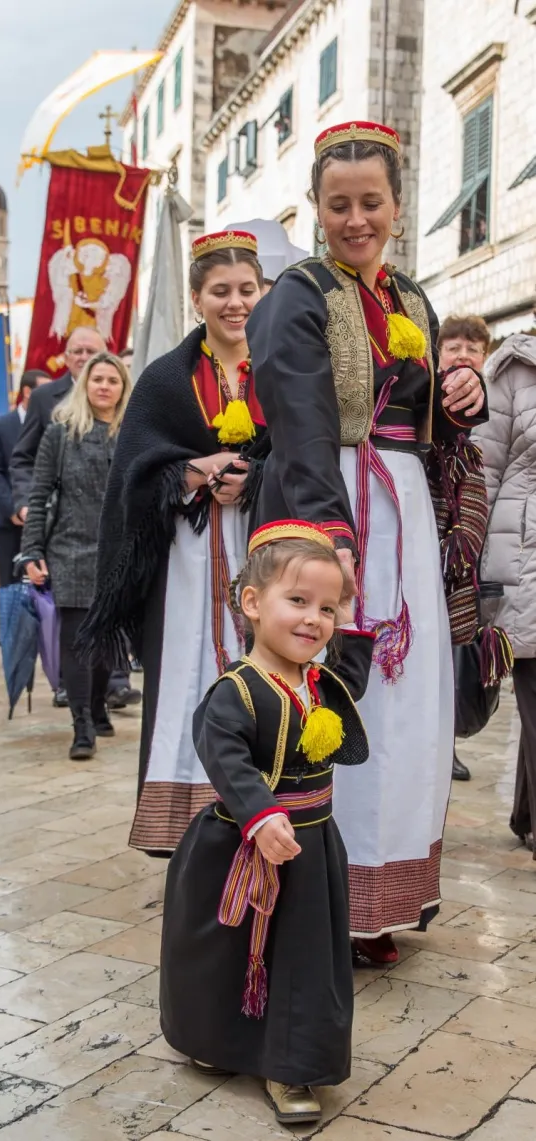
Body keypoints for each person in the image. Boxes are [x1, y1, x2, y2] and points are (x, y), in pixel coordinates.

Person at [247, 121, 487, 965]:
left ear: (396, 204)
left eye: (372, 203)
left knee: (407, 700)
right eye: (339, 203)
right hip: (335, 509)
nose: (357, 219)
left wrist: (459, 394)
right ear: (316, 207)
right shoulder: (297, 295)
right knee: (331, 693)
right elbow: (301, 419)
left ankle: (385, 895)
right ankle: (319, 898)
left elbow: (425, 427)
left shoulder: (412, 299)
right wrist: (328, 536)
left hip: (404, 515)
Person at [160, 522, 373, 1126]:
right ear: (252, 604)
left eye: (328, 608)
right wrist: (260, 814)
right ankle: (220, 1041)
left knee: (303, 957)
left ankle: (291, 1063)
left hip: (312, 848)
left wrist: (352, 621)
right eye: (298, 601)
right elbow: (224, 756)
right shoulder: (237, 692)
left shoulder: (317, 683)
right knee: (229, 954)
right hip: (243, 844)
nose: (314, 620)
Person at [80, 230, 268, 852]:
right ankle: (184, 816)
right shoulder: (165, 379)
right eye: (220, 291)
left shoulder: (283, 369)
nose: (235, 302)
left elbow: (305, 457)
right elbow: (134, 475)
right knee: (189, 667)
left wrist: (256, 476)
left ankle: (267, 809)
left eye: (246, 289)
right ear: (196, 299)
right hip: (187, 557)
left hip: (265, 543)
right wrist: (193, 472)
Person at [11, 328, 140, 711]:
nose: (101, 381)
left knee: (109, 628)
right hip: (68, 538)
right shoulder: (50, 411)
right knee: (76, 629)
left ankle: (106, 693)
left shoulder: (134, 429)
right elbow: (29, 468)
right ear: (70, 361)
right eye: (79, 352)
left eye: (94, 352)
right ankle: (82, 714)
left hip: (116, 545)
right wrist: (28, 527)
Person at [474, 329, 536, 857]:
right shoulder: (514, 369)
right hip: (526, 555)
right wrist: (467, 559)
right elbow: (482, 472)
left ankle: (526, 813)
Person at [437, 315, 492, 782]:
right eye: (453, 347)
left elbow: (480, 484)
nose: (461, 356)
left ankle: (445, 742)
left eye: (472, 349)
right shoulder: (428, 403)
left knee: (452, 657)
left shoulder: (487, 409)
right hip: (428, 541)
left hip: (465, 559)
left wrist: (465, 539)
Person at [10, 328, 106, 515]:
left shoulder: (121, 395)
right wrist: (25, 503)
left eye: (91, 352)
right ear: (67, 358)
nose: (83, 357)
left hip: (106, 511)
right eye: (78, 351)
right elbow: (24, 457)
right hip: (59, 514)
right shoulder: (43, 397)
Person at [0, 370, 52, 588]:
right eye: (44, 390)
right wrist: (14, 508)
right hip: (10, 521)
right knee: (11, 584)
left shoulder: (55, 422)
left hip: (46, 518)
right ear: (27, 392)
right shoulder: (1, 425)